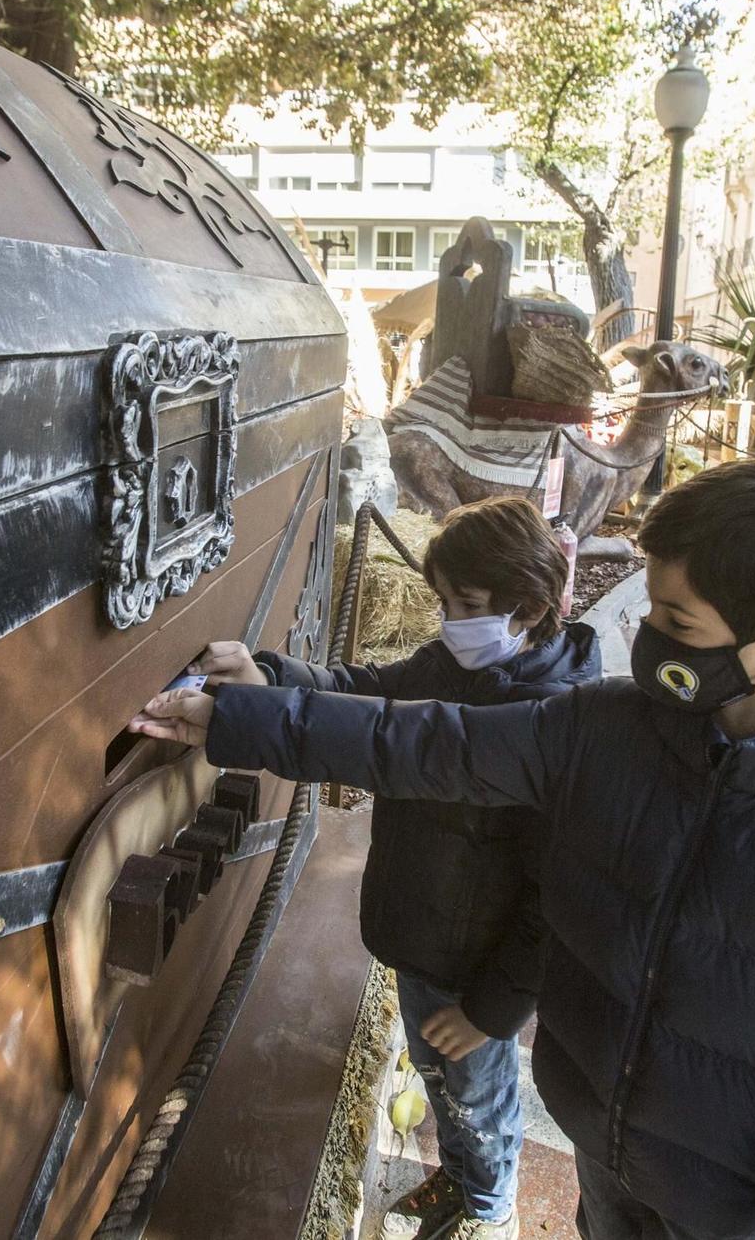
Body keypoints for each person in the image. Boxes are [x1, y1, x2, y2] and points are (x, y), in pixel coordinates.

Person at [134, 461, 755, 1240]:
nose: (649, 637)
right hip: (596, 1127)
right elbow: (423, 740)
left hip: (718, 1182)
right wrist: (243, 718)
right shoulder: (603, 730)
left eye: (678, 623)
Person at [191, 496, 599, 1240]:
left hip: (478, 972)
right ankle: (461, 1174)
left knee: (477, 1091)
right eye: (443, 601)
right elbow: (370, 695)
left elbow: (553, 901)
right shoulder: (454, 661)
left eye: (466, 604)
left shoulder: (554, 724)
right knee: (440, 1077)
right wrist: (270, 677)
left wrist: (493, 1010)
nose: (449, 619)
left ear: (531, 607)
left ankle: (489, 1206)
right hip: (420, 934)